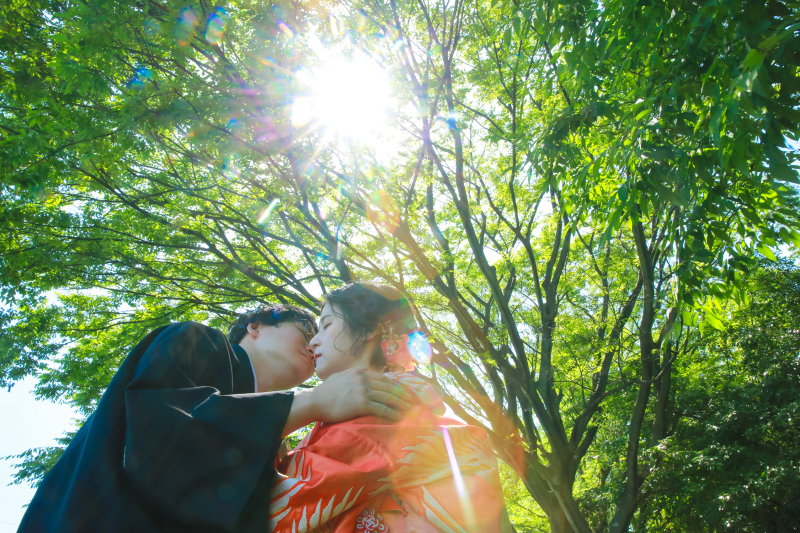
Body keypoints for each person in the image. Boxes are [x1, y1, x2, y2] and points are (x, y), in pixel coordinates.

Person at [18, 303, 414, 533]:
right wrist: (311, 403)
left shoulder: (285, 439)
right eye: (308, 328)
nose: (313, 342)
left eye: (322, 330)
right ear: (255, 327)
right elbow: (161, 441)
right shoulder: (196, 342)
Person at [269, 283, 509, 533]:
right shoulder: (407, 404)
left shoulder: (377, 412)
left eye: (327, 325)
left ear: (370, 329)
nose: (313, 343)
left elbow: (284, 504)